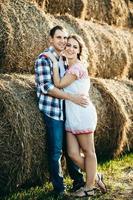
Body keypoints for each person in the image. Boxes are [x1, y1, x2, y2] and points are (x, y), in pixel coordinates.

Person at [44, 34, 107, 197]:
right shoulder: (68, 66)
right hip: (72, 115)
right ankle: (95, 176)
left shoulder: (77, 68)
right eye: (68, 45)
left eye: (75, 47)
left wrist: (54, 62)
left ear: (79, 51)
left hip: (82, 113)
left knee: (88, 151)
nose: (71, 49)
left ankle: (89, 188)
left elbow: (58, 84)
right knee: (72, 154)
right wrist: (59, 62)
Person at [35, 26, 89, 197]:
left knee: (72, 150)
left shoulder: (65, 59)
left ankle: (80, 182)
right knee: (56, 151)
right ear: (50, 39)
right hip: (53, 111)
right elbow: (48, 88)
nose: (63, 41)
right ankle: (59, 189)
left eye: (65, 37)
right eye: (58, 37)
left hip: (68, 111)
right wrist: (71, 98)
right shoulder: (44, 59)